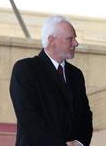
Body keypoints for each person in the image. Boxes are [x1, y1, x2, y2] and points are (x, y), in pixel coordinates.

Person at [10, 16, 93, 146]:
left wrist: (79, 142)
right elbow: (29, 119)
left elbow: (85, 116)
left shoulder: (76, 75)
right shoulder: (26, 70)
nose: (76, 43)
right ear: (51, 40)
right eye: (70, 39)